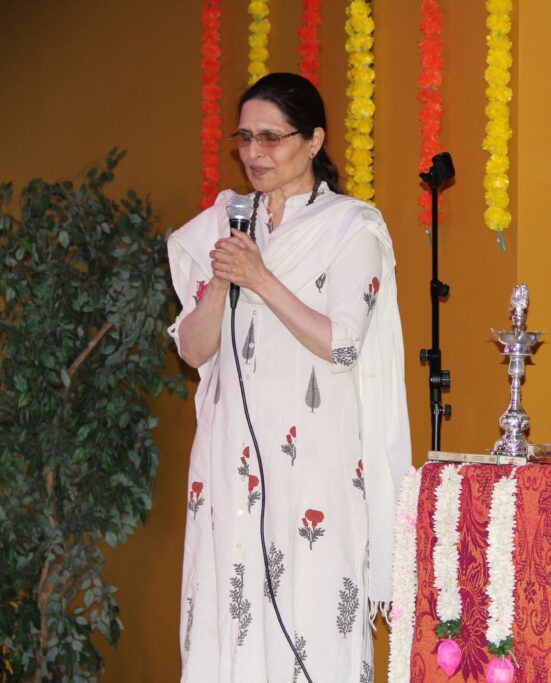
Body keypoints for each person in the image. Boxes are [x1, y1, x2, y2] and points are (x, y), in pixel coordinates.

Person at [167, 72, 411, 681]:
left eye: (271, 138)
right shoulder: (223, 224)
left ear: (313, 141)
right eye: (244, 138)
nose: (254, 153)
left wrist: (260, 279)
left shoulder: (351, 228)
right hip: (229, 458)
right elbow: (193, 352)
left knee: (308, 606)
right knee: (228, 608)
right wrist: (223, 277)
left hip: (314, 463)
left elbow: (344, 345)